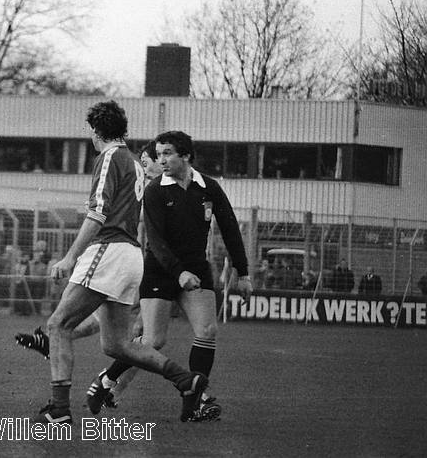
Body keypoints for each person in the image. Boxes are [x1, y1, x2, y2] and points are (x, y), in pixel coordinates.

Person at [30, 101, 209, 425]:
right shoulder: (134, 163)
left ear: (97, 131)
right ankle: (186, 380)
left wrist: (70, 257)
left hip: (108, 250)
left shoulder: (110, 156)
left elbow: (98, 213)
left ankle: (59, 409)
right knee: (117, 345)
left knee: (58, 325)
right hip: (129, 256)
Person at [85, 130, 253, 422]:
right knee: (153, 341)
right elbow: (157, 243)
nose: (160, 160)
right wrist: (179, 273)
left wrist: (244, 271)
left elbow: (230, 227)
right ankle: (107, 380)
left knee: (208, 332)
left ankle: (195, 399)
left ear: (185, 156)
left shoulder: (208, 187)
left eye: (167, 154)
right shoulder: (155, 191)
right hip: (161, 271)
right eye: (158, 154)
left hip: (196, 270)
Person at [16, 140, 164, 406]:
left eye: (147, 162)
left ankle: (105, 381)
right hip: (140, 262)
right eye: (143, 162)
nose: (144, 167)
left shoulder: (159, 190)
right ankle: (106, 382)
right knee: (114, 326)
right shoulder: (146, 188)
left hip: (155, 266)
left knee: (145, 337)